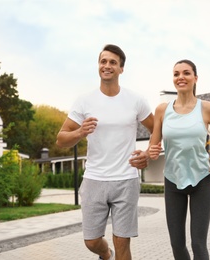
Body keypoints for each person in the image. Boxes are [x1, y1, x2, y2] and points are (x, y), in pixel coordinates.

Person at [56, 44, 154, 260]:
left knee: (123, 243)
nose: (107, 66)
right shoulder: (85, 101)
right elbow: (61, 138)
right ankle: (105, 254)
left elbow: (157, 129)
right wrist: (80, 132)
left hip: (126, 179)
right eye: (103, 61)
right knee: (91, 241)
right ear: (98, 65)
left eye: (113, 62)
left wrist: (147, 153)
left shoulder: (136, 100)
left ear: (121, 69)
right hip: (94, 179)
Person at [148, 59, 210, 260]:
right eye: (176, 74)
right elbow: (153, 144)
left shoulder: (207, 108)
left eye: (186, 73)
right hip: (173, 181)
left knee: (198, 244)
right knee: (176, 244)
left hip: (201, 179)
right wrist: (151, 151)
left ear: (195, 78)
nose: (180, 77)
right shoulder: (161, 110)